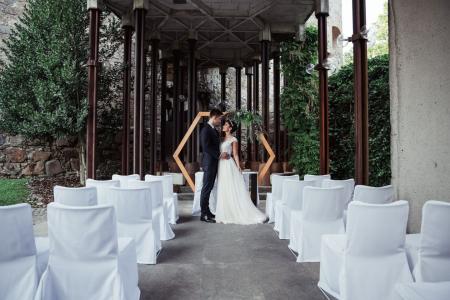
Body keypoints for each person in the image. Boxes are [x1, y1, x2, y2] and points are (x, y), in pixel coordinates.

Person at [215, 119, 267, 225]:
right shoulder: (221, 139)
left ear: (230, 128)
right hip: (221, 165)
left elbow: (235, 154)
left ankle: (234, 212)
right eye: (224, 124)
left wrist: (238, 166)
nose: (223, 126)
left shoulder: (233, 139)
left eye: (225, 125)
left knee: (230, 186)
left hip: (228, 165)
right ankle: (225, 212)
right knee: (223, 186)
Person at [199, 109, 228, 223]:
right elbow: (205, 147)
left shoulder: (214, 130)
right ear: (214, 117)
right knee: (206, 188)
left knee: (209, 187)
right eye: (220, 119)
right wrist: (219, 155)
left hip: (214, 163)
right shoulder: (205, 129)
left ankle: (208, 212)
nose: (220, 121)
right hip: (209, 163)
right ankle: (204, 214)